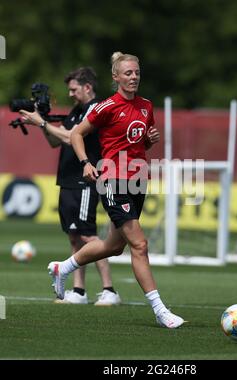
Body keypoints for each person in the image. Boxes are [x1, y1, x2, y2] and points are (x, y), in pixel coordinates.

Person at [47, 52, 185, 328]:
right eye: (128, 73)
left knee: (113, 247)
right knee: (140, 245)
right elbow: (76, 134)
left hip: (137, 180)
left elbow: (134, 146)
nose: (133, 77)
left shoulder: (146, 106)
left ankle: (64, 268)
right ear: (116, 77)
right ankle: (160, 310)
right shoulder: (106, 106)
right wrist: (86, 162)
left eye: (136, 72)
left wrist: (148, 142)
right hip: (112, 180)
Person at [19, 67, 121, 306]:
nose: (71, 93)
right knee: (74, 236)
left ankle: (109, 290)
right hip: (68, 179)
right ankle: (79, 290)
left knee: (88, 234)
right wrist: (40, 122)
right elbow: (57, 140)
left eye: (74, 89)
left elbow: (70, 137)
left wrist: (43, 123)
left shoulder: (95, 109)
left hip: (86, 179)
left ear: (87, 87)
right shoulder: (76, 110)